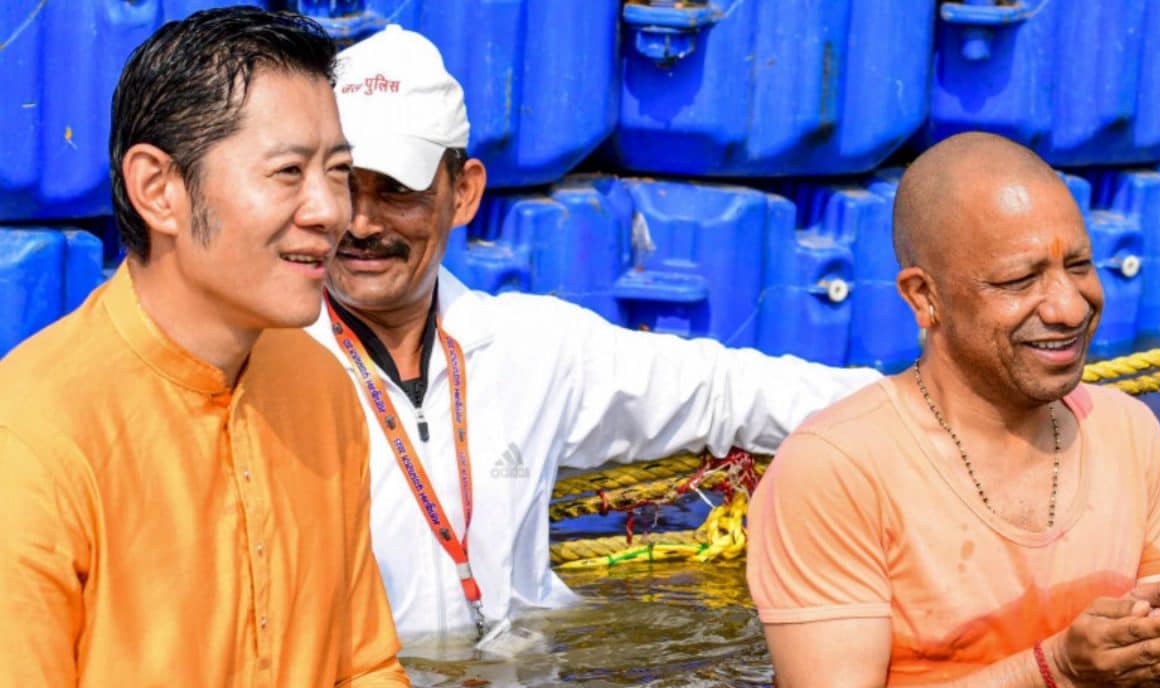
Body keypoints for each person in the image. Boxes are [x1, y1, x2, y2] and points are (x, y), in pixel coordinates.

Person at [0, 8, 460, 688]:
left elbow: (358, 673)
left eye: (338, 170)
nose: (333, 212)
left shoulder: (318, 390)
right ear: (159, 189)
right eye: (288, 173)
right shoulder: (34, 438)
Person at [308, 25, 881, 645]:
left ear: (464, 192)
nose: (362, 223)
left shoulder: (529, 348)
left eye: (397, 190)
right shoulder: (268, 365)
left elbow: (726, 391)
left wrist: (930, 411)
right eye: (344, 184)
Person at [747, 131, 1160, 688]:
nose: (1069, 307)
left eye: (1080, 265)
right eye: (1020, 281)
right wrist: (1060, 671)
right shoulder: (836, 466)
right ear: (924, 296)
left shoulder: (1127, 431)